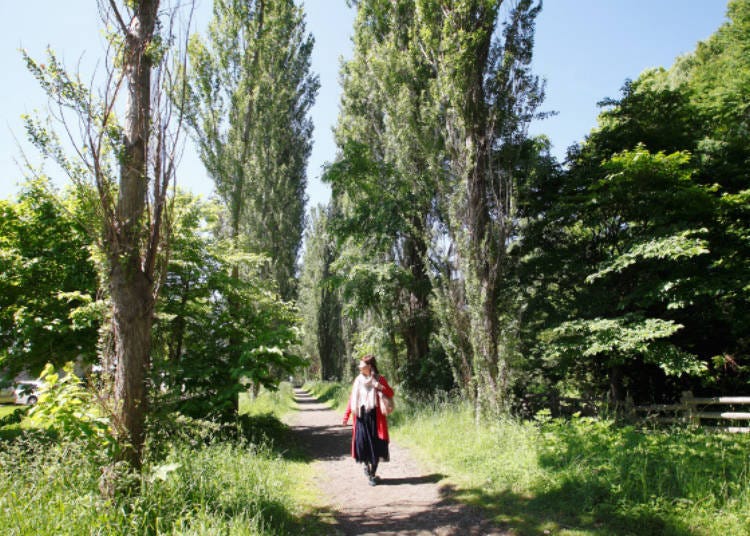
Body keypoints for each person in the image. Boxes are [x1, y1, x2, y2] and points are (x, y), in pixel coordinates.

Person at [342, 354, 394, 486]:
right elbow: (352, 399)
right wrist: (346, 416)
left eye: (362, 365)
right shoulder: (358, 380)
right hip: (361, 416)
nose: (360, 367)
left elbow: (390, 393)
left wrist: (378, 386)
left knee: (377, 446)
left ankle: (372, 474)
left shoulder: (379, 379)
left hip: (375, 418)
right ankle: (367, 466)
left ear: (369, 366)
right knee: (362, 444)